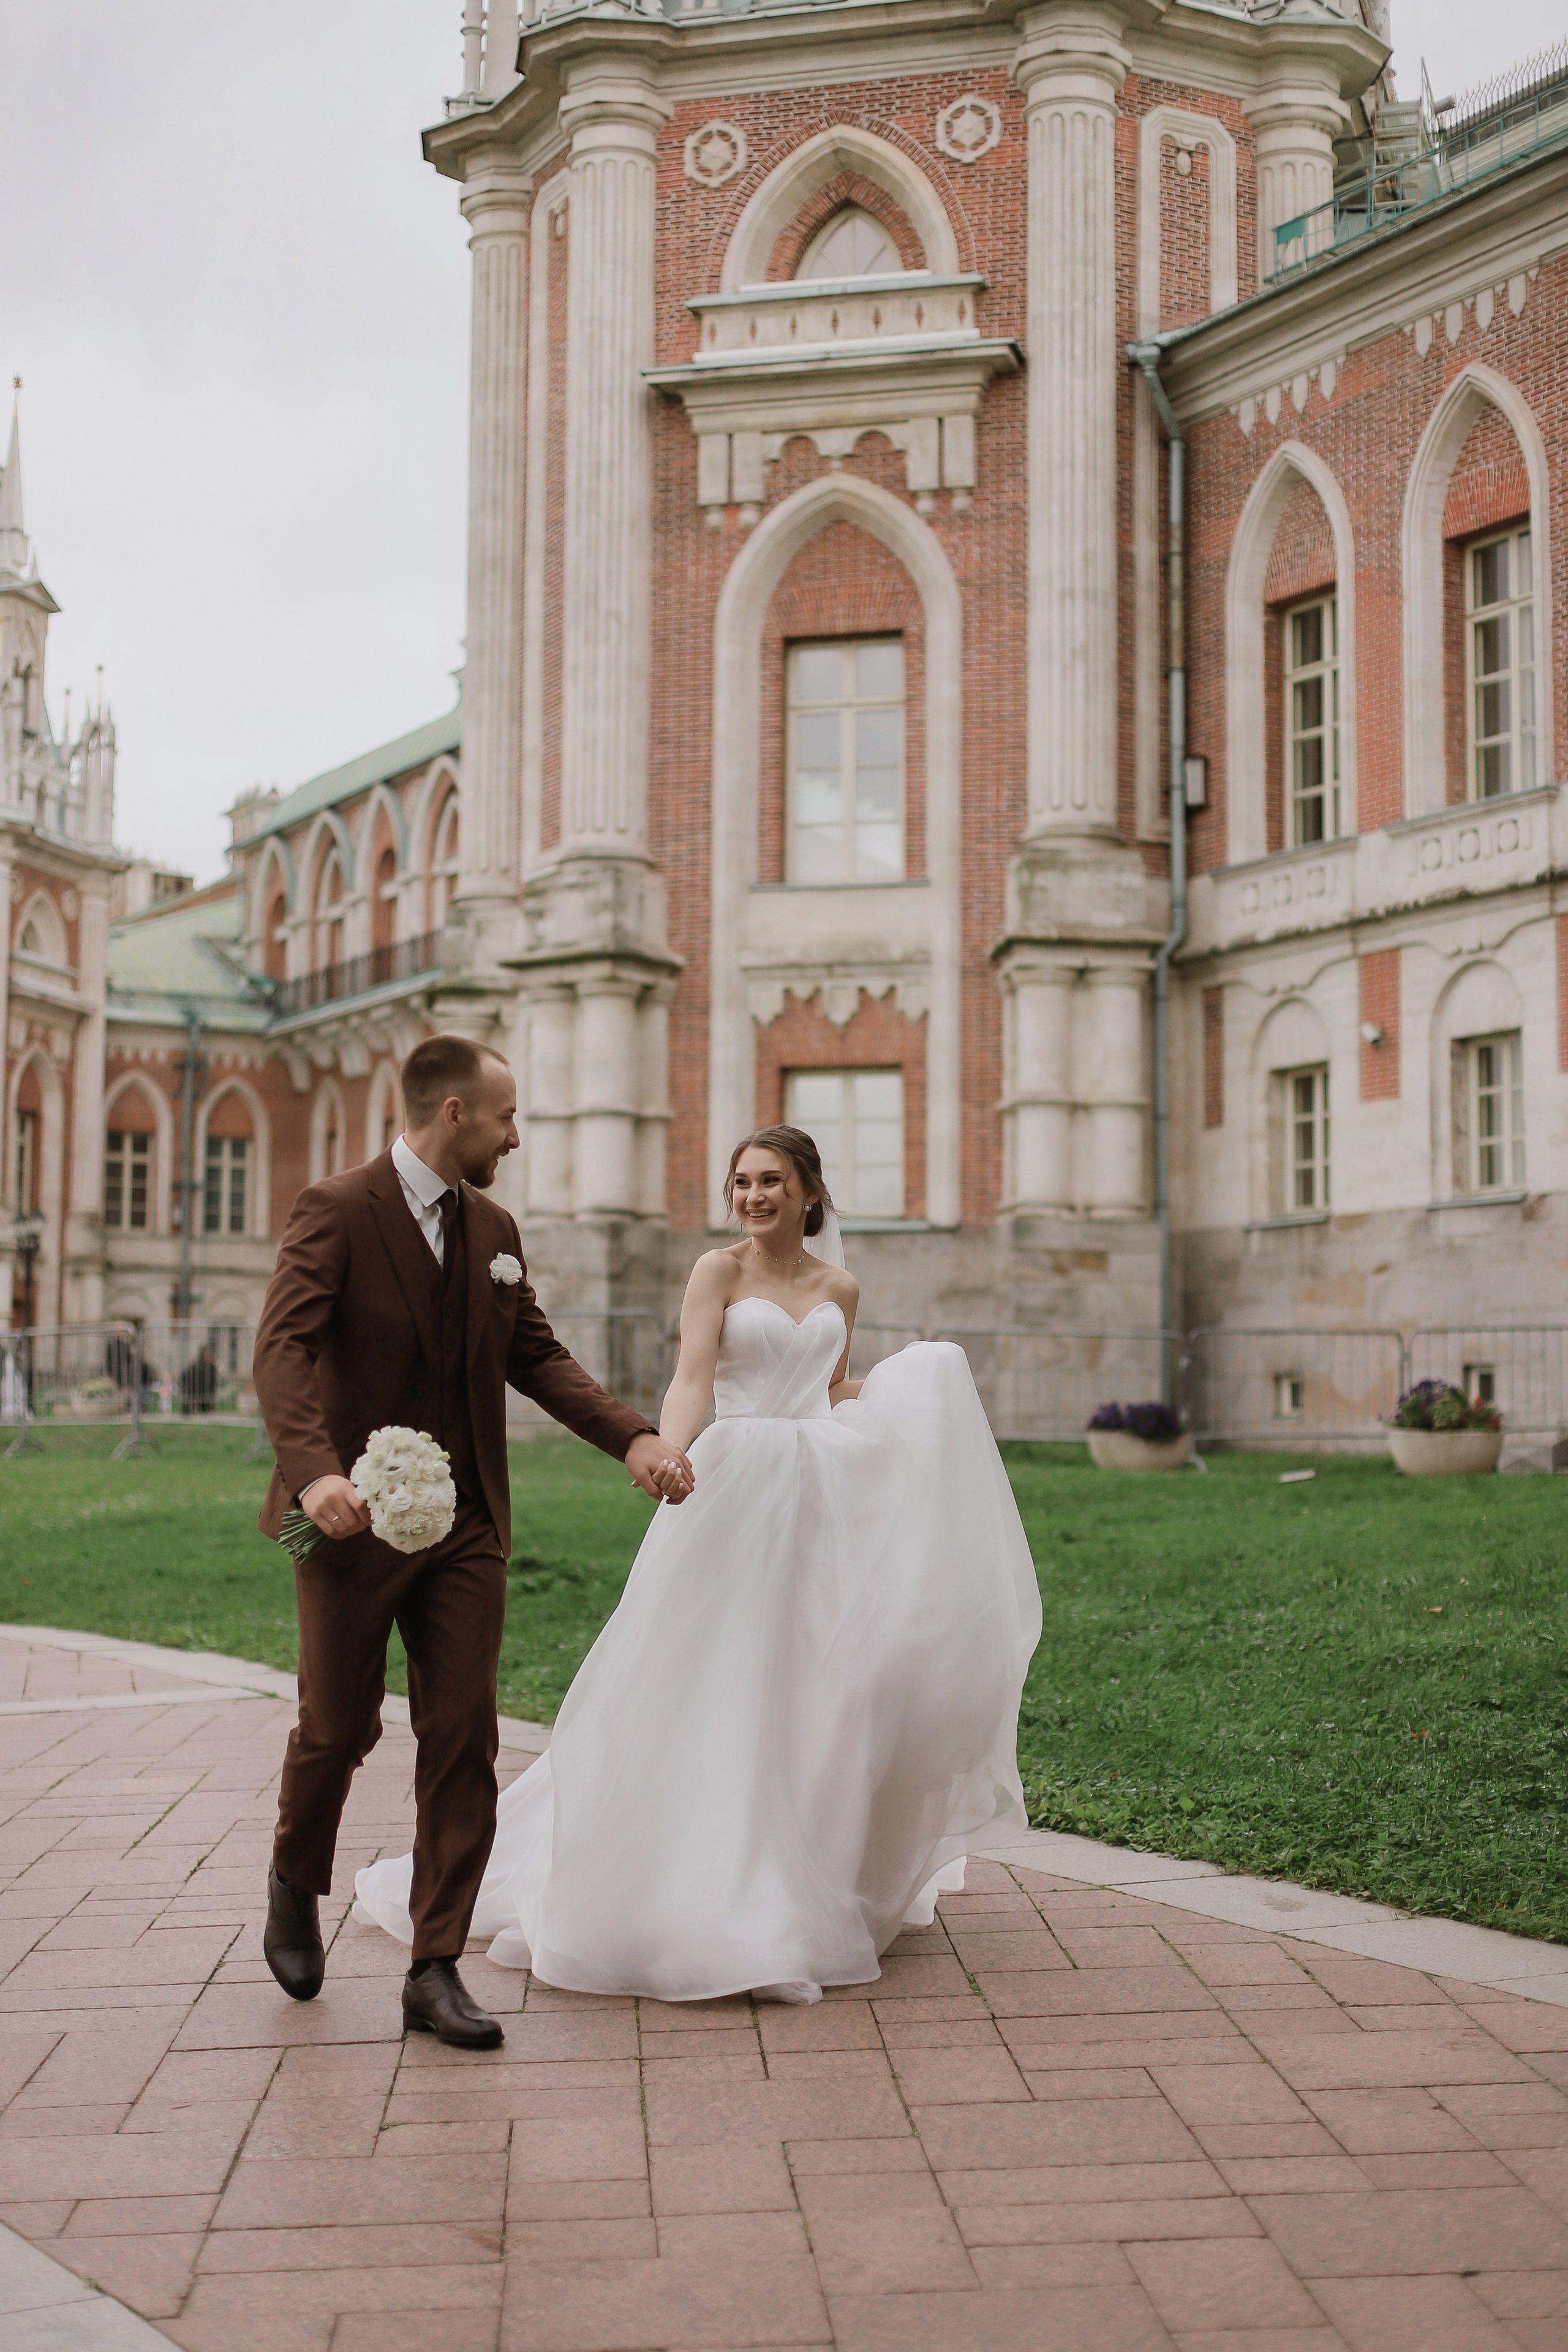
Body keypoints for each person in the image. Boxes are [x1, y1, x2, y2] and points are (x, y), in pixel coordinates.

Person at [355, 1125, 1041, 2005]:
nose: (754, 1196)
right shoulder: (717, 1271)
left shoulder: (840, 1286)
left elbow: (829, 1386)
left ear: (809, 1192)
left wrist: (910, 1394)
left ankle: (812, 1863)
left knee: (827, 1676)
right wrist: (668, 1451)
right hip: (736, 1479)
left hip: (826, 1490)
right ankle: (704, 1874)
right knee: (713, 1669)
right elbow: (693, 1376)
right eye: (742, 1182)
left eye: (772, 1181)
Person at [252, 1035, 695, 2051]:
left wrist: (633, 1438)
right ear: (454, 1113)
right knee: (337, 1728)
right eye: (505, 1116)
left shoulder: (494, 1229)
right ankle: (292, 1877)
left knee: (463, 1736)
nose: (515, 1136)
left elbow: (536, 1355)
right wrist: (315, 1473)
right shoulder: (336, 1209)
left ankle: (434, 1966)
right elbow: (283, 1348)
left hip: (467, 1527)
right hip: (347, 1517)